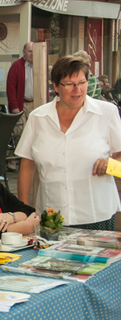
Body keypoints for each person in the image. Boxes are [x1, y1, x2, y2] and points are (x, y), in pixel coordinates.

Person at [16, 55, 121, 230]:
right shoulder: (38, 117)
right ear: (56, 86)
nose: (77, 89)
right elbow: (27, 164)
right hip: (52, 218)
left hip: (96, 215)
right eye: (69, 84)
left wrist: (110, 165)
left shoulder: (107, 113)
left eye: (82, 82)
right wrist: (24, 210)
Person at [6, 42, 34, 118]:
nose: (32, 54)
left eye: (34, 51)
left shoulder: (39, 66)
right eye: (30, 51)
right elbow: (11, 88)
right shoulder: (16, 66)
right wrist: (14, 107)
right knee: (21, 129)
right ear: (24, 52)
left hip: (35, 105)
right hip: (21, 105)